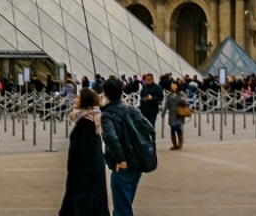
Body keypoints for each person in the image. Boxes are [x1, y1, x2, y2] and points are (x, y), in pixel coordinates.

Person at [100, 79, 155, 216]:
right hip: (137, 161)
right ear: (122, 92)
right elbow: (149, 129)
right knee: (125, 203)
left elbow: (111, 137)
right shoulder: (131, 109)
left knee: (122, 209)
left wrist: (121, 159)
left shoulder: (107, 115)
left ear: (105, 94)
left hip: (123, 165)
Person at [59, 89, 107, 216]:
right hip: (96, 165)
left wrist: (71, 167)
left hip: (83, 169)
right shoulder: (95, 118)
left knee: (78, 200)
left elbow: (78, 150)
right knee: (95, 201)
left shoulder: (84, 123)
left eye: (78, 98)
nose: (76, 100)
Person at [163, 80, 188, 150]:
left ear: (177, 86)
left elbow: (186, 103)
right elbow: (166, 105)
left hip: (179, 114)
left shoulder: (181, 94)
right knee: (172, 129)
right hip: (172, 114)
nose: (173, 86)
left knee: (178, 127)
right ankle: (174, 144)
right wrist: (163, 113)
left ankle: (180, 142)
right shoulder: (170, 95)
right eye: (172, 85)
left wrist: (183, 101)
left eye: (175, 85)